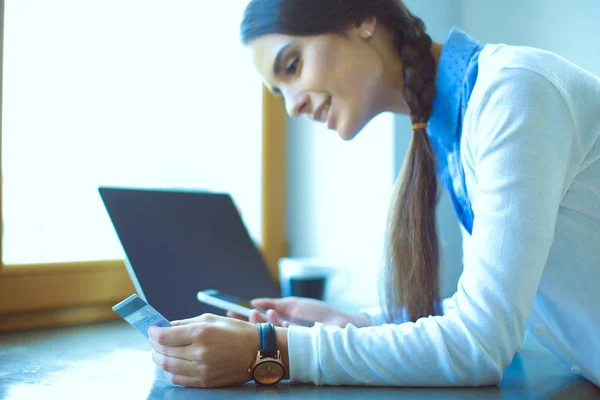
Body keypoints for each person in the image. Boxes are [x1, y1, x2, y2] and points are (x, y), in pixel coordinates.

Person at [146, 0, 600, 388]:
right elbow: (480, 307)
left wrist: (276, 350)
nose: (292, 105)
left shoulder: (513, 94)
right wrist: (357, 322)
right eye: (277, 90)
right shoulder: (460, 123)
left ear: (362, 17)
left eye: (293, 64)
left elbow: (479, 343)